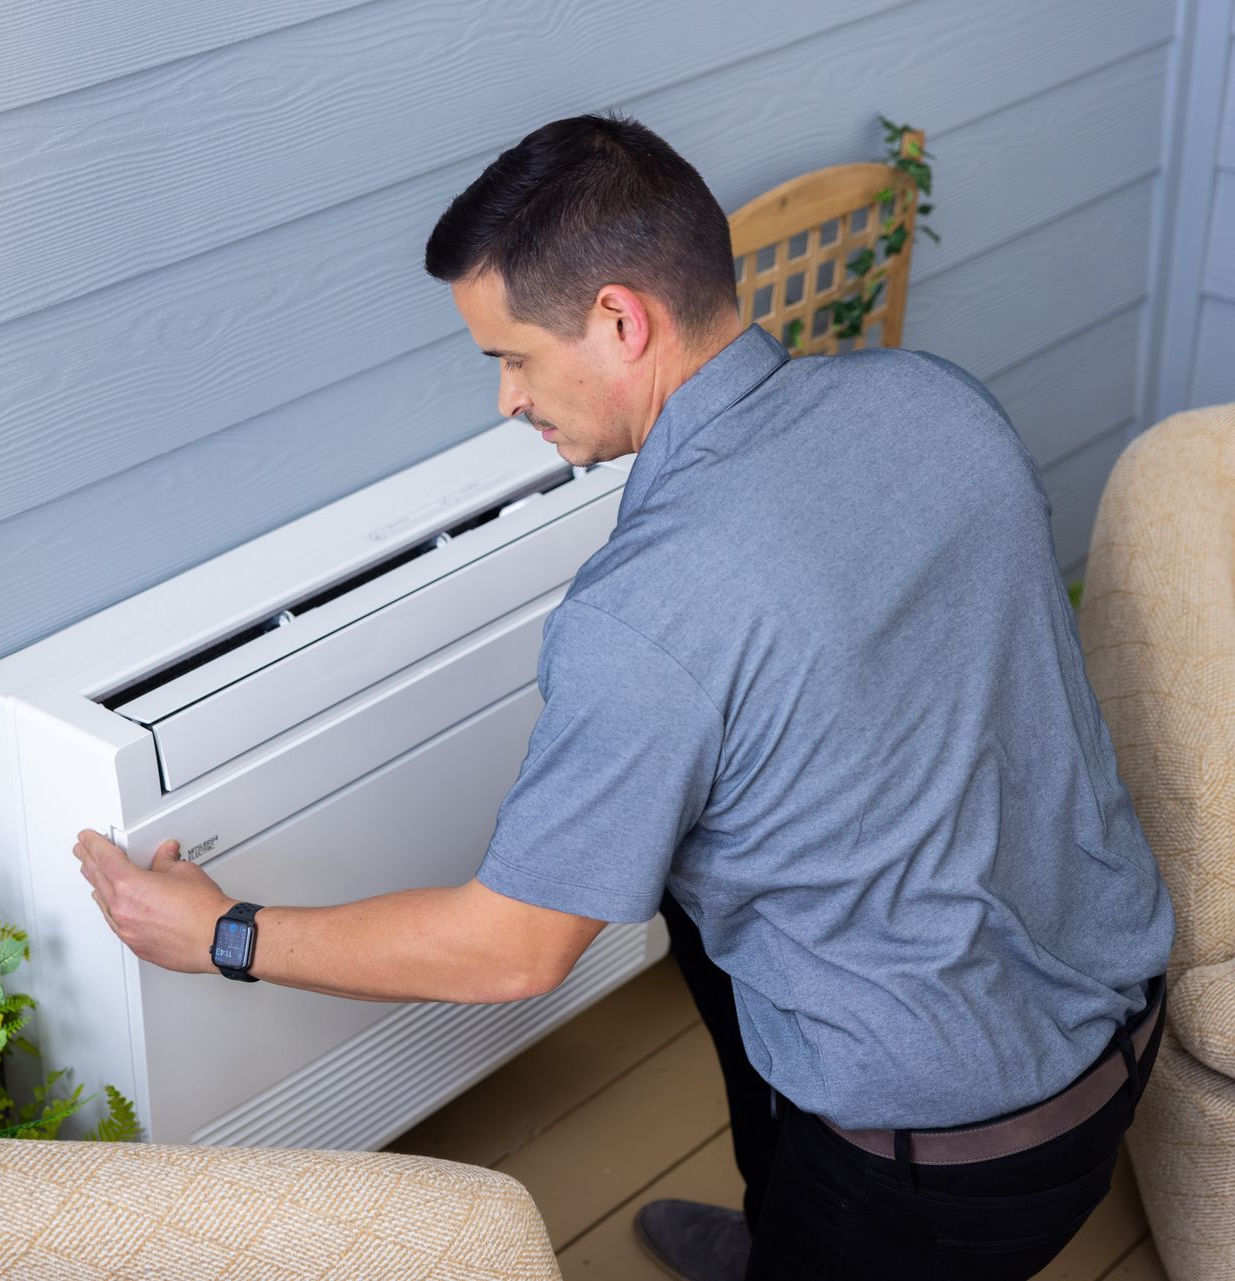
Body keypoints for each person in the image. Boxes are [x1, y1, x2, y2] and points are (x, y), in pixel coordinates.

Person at [72, 111, 1175, 1280]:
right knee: (689, 890)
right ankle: (777, 1230)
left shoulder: (644, 616)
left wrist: (221, 936)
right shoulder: (934, 401)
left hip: (936, 1175)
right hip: (1116, 1019)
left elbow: (513, 953)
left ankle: (804, 1246)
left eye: (514, 357)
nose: (506, 399)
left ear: (619, 320)